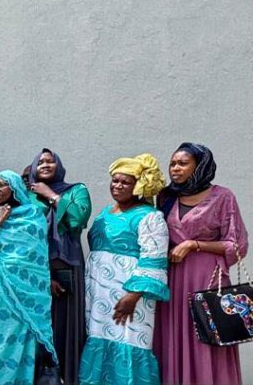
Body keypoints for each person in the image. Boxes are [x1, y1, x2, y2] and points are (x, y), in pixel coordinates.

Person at [154, 143, 248, 385]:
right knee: (174, 335)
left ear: (200, 166)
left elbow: (237, 245)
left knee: (207, 335)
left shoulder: (222, 196)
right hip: (174, 280)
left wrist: (194, 244)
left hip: (207, 279)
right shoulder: (165, 196)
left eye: (183, 163)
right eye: (173, 163)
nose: (175, 168)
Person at [78, 154, 169, 385]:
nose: (117, 185)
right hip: (98, 295)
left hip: (129, 295)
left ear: (138, 186)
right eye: (114, 180)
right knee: (99, 341)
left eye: (125, 182)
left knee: (130, 342)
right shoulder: (105, 212)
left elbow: (154, 259)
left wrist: (133, 295)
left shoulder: (151, 217)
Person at [0, 171, 55, 385]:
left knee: (21, 352)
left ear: (15, 187)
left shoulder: (33, 217)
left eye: (1, 185)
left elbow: (38, 263)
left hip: (25, 298)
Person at [28, 148, 93, 384]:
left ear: (59, 165)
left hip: (68, 268)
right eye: (41, 162)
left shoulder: (77, 190)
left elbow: (77, 219)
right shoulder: (27, 197)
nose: (45, 165)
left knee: (67, 329)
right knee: (40, 331)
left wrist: (51, 195)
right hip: (36, 273)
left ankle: (69, 377)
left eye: (50, 161)